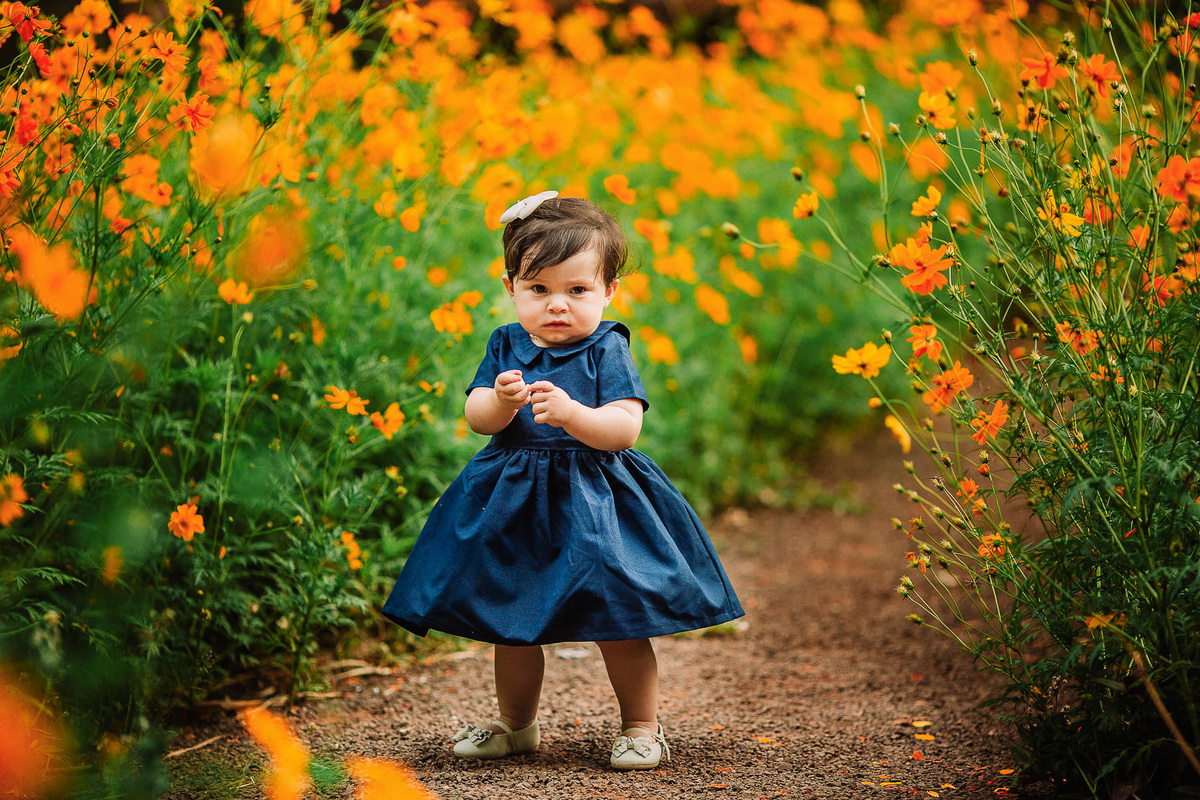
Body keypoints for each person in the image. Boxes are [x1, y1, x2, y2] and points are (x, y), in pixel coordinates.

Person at [382, 191, 744, 770]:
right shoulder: (506, 344)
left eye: (577, 290)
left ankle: (640, 727)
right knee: (512, 621)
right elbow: (477, 419)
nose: (558, 306)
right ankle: (516, 725)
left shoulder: (608, 347)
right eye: (539, 289)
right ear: (512, 289)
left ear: (608, 292)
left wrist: (575, 415)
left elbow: (625, 428)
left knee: (619, 617)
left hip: (598, 501)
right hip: (515, 500)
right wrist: (500, 402)